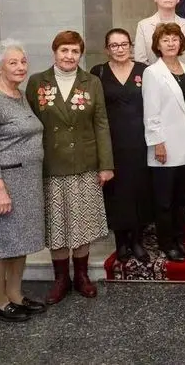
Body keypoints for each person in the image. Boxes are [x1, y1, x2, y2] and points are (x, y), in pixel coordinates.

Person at [26, 31, 114, 304]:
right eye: (64, 50)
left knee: (83, 222)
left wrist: (106, 164)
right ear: (55, 52)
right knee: (57, 224)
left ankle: (82, 276)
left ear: (81, 54)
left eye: (74, 51)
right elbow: (29, 124)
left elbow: (101, 123)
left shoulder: (92, 82)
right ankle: (61, 279)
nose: (69, 56)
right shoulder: (37, 82)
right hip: (51, 163)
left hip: (85, 164)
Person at [0, 40, 45, 323]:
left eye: (23, 62)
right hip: (3, 183)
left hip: (26, 181)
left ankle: (15, 295)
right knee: (0, 243)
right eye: (13, 62)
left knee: (20, 240)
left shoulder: (19, 94)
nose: (20, 67)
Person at [90, 29, 151, 264]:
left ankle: (137, 240)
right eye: (114, 45)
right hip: (111, 141)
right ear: (107, 49)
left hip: (140, 140)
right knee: (116, 192)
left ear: (131, 46)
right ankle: (121, 242)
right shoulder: (99, 72)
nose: (119, 49)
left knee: (139, 190)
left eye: (123, 44)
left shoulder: (144, 71)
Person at [142, 23, 185, 263]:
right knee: (164, 200)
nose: (171, 43)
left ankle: (179, 239)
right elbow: (150, 112)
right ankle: (166, 243)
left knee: (180, 199)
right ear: (158, 45)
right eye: (165, 40)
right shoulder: (153, 72)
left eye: (175, 39)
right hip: (163, 146)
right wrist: (157, 143)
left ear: (181, 43)